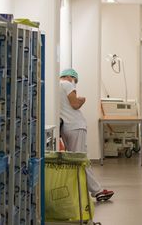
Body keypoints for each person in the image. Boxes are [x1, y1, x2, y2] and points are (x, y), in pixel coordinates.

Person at [59, 68, 114, 201]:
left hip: (64, 127)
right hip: (75, 126)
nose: (74, 83)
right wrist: (82, 100)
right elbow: (75, 104)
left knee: (76, 160)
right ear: (71, 77)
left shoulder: (53, 87)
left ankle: (77, 190)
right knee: (82, 159)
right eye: (75, 80)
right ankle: (97, 191)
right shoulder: (67, 84)